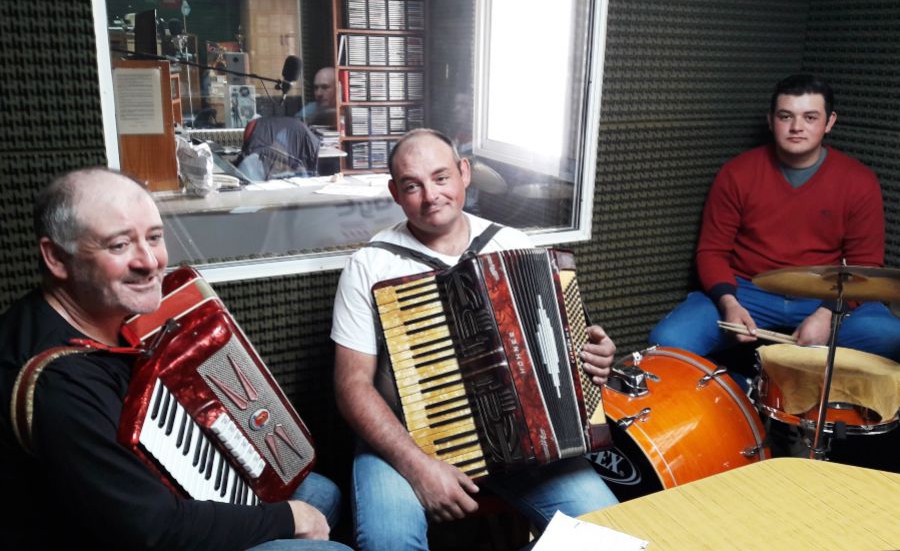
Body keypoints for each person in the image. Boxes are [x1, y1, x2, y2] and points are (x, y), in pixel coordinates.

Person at [0, 167, 349, 550]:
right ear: (55, 258)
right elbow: (153, 528)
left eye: (154, 237)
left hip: (143, 497)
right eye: (119, 246)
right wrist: (287, 518)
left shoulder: (84, 313)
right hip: (125, 534)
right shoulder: (60, 384)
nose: (149, 262)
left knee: (322, 493)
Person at [331, 129, 618, 550]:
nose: (431, 196)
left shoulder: (512, 245)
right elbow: (351, 386)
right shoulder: (370, 265)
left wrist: (593, 356)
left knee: (606, 538)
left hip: (525, 441)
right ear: (395, 193)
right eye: (413, 186)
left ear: (464, 173)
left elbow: (560, 353)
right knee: (388, 542)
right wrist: (417, 466)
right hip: (403, 441)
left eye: (441, 177)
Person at [649, 74, 900, 369]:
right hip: (747, 291)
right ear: (771, 120)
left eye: (810, 117)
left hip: (829, 295)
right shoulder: (737, 173)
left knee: (890, 337)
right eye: (786, 116)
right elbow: (712, 251)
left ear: (829, 122)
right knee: (669, 340)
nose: (796, 127)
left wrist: (827, 315)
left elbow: (866, 264)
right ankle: (736, 397)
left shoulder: (859, 181)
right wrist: (729, 303)